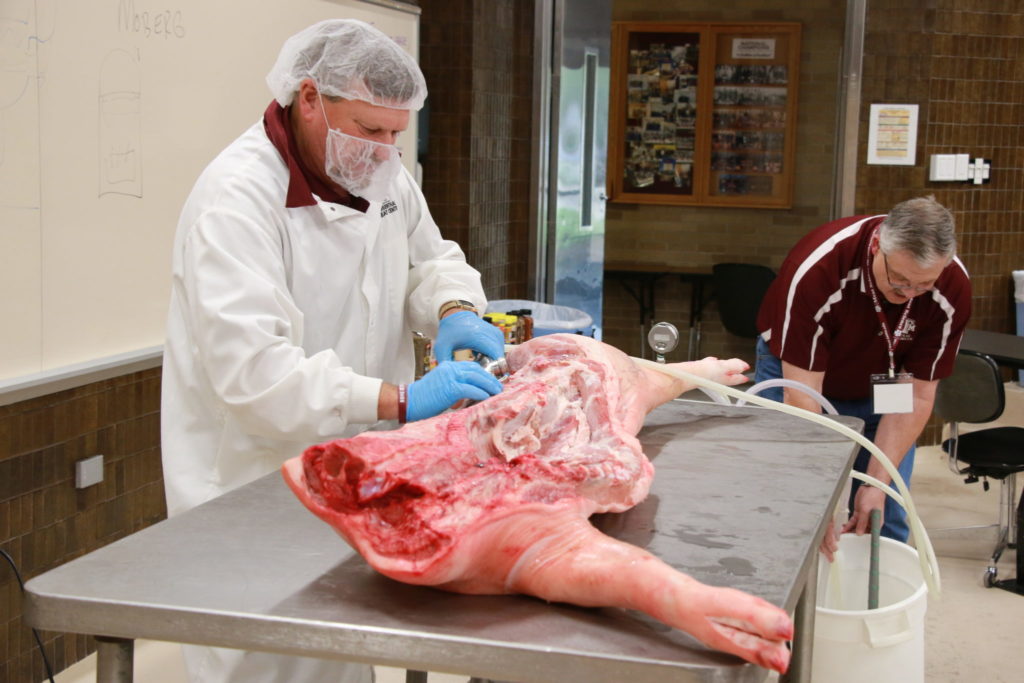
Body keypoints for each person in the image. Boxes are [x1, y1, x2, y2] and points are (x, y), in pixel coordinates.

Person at [160, 19, 506, 683]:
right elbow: (258, 376)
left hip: (355, 477)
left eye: (395, 134)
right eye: (368, 130)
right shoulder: (234, 203)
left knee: (346, 659)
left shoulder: (382, 174)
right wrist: (399, 399)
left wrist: (455, 308)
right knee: (267, 665)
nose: (383, 151)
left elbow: (431, 260)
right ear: (309, 98)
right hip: (251, 493)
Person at [754, 196, 971, 555]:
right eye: (899, 280)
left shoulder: (952, 289)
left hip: (883, 381)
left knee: (884, 512)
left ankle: (874, 606)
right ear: (876, 247)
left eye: (923, 285)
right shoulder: (819, 269)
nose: (908, 295)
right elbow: (801, 396)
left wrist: (876, 484)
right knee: (790, 504)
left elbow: (916, 394)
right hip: (799, 378)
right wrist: (819, 495)